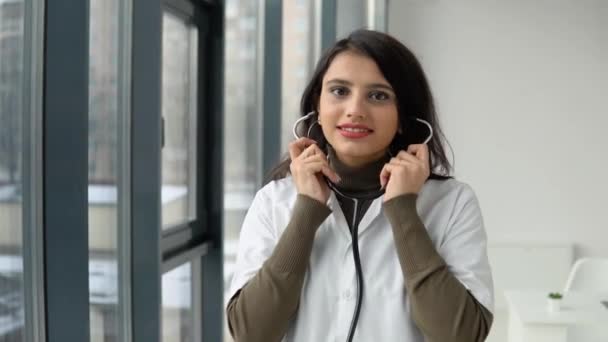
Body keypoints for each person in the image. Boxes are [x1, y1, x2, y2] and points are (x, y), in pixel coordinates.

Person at [226, 29, 494, 342]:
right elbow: (250, 334)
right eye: (339, 91)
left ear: (404, 116)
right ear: (318, 103)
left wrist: (403, 210)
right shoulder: (274, 202)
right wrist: (305, 213)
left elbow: (461, 336)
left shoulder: (451, 204)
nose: (355, 109)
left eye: (378, 95)